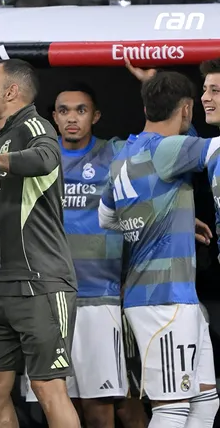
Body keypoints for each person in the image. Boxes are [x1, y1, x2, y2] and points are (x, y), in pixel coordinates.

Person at [99, 70, 220, 428]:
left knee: (205, 403)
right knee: (171, 409)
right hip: (163, 302)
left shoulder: (124, 154)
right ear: (186, 110)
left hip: (169, 299)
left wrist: (167, 218)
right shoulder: (166, 149)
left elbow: (107, 218)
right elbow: (215, 148)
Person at [0, 59, 80, 428]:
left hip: (39, 282)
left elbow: (46, 157)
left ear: (11, 92)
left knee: (47, 386)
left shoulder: (35, 126)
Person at [21, 83, 128, 428]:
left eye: (80, 110)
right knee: (55, 405)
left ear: (95, 116)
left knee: (100, 410)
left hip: (100, 298)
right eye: (64, 110)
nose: (71, 118)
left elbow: (162, 150)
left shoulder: (115, 155)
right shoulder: (37, 158)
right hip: (48, 299)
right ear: (53, 117)